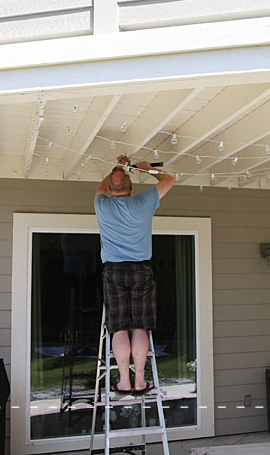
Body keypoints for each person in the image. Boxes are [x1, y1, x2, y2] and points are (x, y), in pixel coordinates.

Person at [94, 155, 175, 395]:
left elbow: (100, 187)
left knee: (118, 327)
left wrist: (118, 167)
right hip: (141, 269)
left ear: (110, 188)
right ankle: (140, 380)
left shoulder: (102, 204)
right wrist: (147, 169)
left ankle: (123, 381)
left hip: (114, 271)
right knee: (140, 326)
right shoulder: (143, 202)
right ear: (131, 186)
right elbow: (169, 180)